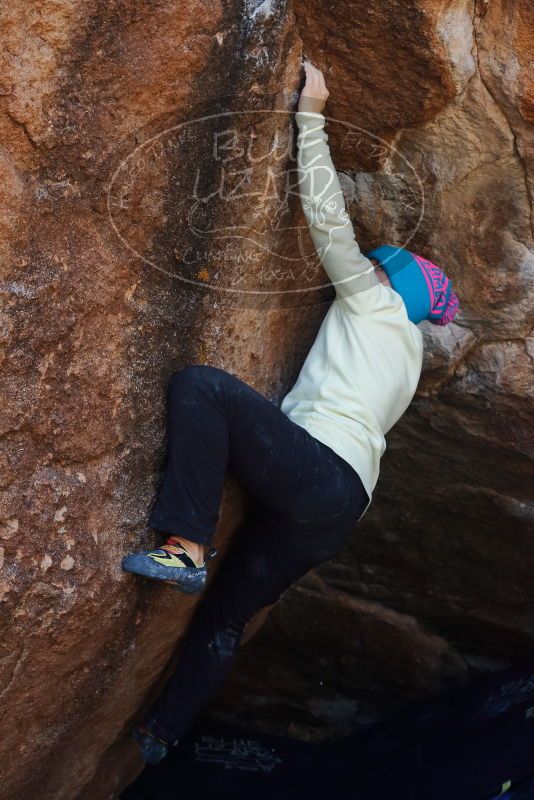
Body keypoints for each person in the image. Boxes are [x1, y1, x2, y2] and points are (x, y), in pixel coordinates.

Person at [122, 61, 460, 764]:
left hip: (316, 472)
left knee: (201, 387)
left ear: (387, 282)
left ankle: (182, 546)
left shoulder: (373, 302)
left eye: (375, 265)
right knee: (226, 616)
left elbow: (325, 213)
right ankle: (160, 736)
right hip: (339, 509)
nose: (363, 269)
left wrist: (312, 112)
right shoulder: (405, 358)